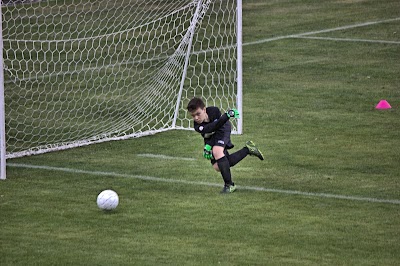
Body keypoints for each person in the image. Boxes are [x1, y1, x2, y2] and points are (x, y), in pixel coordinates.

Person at [187, 97, 264, 193]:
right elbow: (212, 129)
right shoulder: (198, 126)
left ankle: (229, 185)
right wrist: (207, 146)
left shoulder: (214, 111)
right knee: (218, 166)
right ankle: (248, 149)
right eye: (193, 116)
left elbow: (219, 126)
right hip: (214, 134)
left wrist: (226, 116)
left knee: (217, 151)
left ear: (204, 109)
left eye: (198, 114)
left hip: (223, 128)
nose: (196, 118)